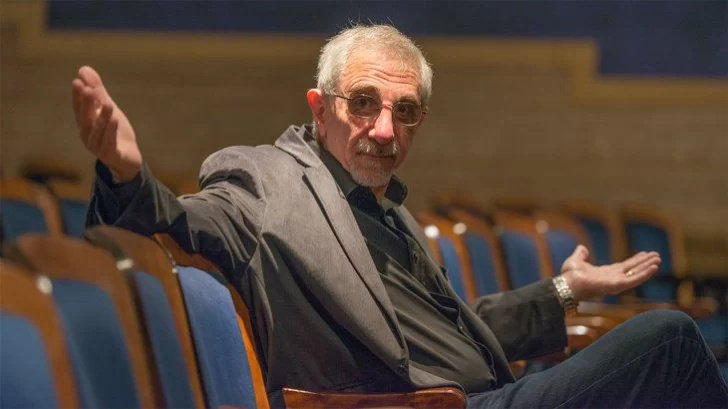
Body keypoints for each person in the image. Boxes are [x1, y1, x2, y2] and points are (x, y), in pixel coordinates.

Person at [72, 24, 728, 408]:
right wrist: (126, 174)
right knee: (667, 338)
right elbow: (180, 223)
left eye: (404, 111)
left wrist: (563, 290)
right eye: (364, 102)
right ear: (320, 107)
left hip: (476, 392)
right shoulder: (267, 180)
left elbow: (458, 328)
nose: (384, 130)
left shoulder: (382, 205)